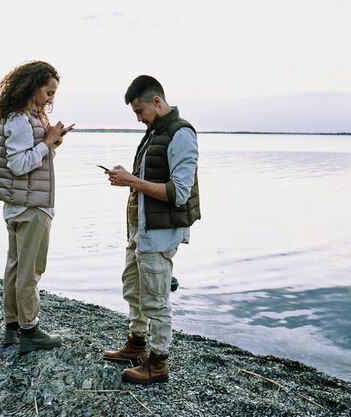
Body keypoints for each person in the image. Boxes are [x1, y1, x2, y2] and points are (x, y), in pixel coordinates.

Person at [102, 75, 200, 384]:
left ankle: (158, 364)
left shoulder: (180, 134)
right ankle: (137, 345)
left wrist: (132, 181)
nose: (138, 118)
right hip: (140, 229)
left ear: (156, 102)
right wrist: (128, 178)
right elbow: (148, 182)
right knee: (134, 288)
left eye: (139, 111)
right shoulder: (155, 131)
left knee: (156, 299)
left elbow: (179, 192)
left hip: (159, 233)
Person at [0, 61, 72, 353]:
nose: (50, 100)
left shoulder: (22, 116)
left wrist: (52, 142)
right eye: (48, 93)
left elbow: (29, 158)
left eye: (53, 95)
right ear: (33, 86)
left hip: (19, 205)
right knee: (31, 270)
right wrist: (47, 143)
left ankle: (12, 328)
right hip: (31, 207)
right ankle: (30, 330)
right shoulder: (20, 120)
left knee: (15, 268)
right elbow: (19, 164)